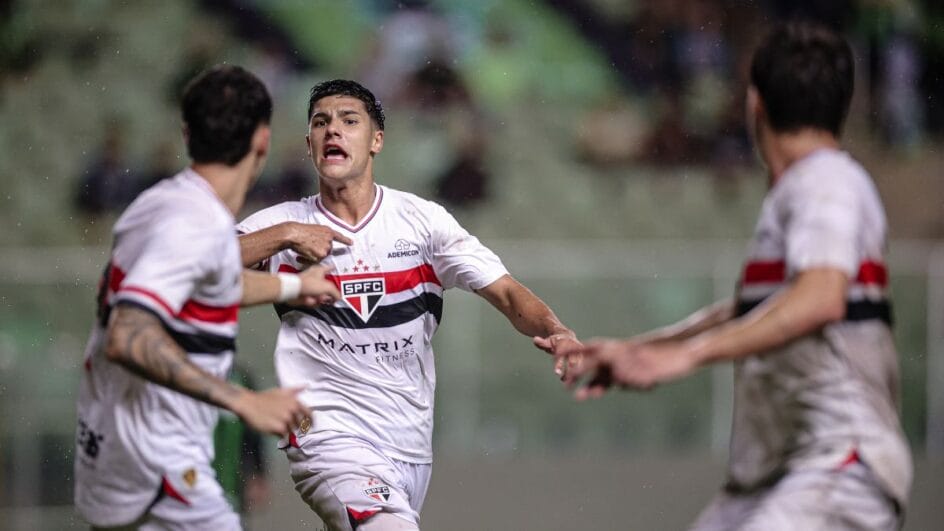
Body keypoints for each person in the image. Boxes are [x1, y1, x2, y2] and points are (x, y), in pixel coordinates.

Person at [560, 22, 912, 530]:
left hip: (839, 464)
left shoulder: (827, 181)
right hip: (775, 479)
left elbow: (820, 299)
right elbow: (760, 311)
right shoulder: (802, 194)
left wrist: (684, 357)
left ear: (756, 105)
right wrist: (646, 348)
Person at [236, 79, 579, 530]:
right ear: (309, 143)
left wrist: (557, 330)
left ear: (376, 140)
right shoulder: (282, 224)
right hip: (325, 434)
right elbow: (195, 267)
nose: (332, 131)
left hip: (408, 445)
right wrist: (284, 236)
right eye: (321, 123)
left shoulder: (422, 222)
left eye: (348, 121)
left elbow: (508, 293)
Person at [74, 65, 341, 530]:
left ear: (186, 133)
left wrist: (297, 285)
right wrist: (243, 401)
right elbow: (128, 336)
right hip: (158, 459)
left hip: (114, 440)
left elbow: (211, 281)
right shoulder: (193, 226)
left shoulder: (162, 202)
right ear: (262, 141)